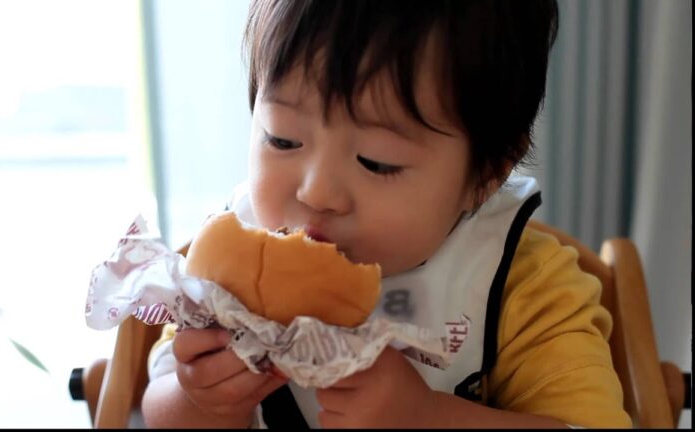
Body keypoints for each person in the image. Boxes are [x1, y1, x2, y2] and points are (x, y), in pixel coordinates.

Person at [141, 0, 631, 428]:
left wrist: (433, 420)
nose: (317, 192)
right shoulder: (233, 273)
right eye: (282, 139)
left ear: (486, 176)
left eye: (377, 162)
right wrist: (197, 399)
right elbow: (154, 407)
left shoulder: (524, 286)